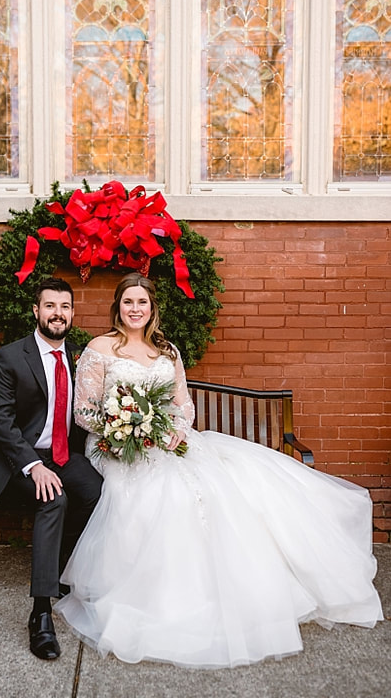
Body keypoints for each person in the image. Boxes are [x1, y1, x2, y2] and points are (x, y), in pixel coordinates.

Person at [56, 273, 383, 668]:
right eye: (128, 302)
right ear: (117, 307)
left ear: (152, 307)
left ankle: (237, 588)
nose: (135, 309)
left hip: (167, 442)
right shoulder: (100, 348)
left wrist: (175, 430)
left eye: (142, 302)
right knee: (159, 494)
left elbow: (184, 406)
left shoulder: (167, 350)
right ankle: (156, 592)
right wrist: (124, 426)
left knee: (223, 485)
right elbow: (84, 412)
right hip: (116, 445)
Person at [0, 277, 104, 660]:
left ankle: (62, 566)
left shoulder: (81, 356)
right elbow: (1, 421)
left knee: (98, 492)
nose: (57, 314)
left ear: (73, 313)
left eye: (65, 307)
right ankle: (41, 613)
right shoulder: (11, 357)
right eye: (50, 306)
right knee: (54, 499)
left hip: (65, 456)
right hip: (18, 461)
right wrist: (32, 465)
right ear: (36, 310)